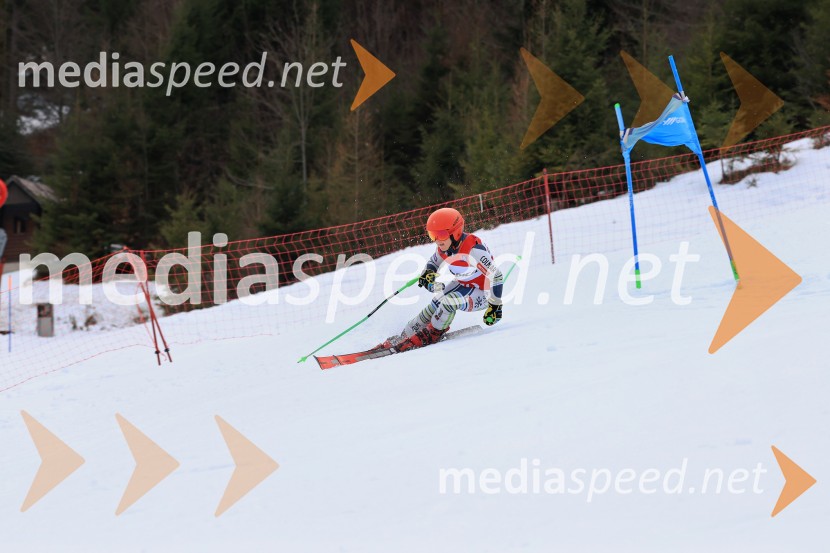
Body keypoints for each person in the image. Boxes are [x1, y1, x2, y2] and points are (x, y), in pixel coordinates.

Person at [386, 207, 503, 351]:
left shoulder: (473, 250)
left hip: (484, 292)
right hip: (464, 284)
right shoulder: (444, 248)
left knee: (449, 301)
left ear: (455, 232)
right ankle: (405, 335)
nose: (436, 240)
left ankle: (433, 334)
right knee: (435, 304)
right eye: (432, 235)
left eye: (440, 234)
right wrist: (428, 274)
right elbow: (433, 263)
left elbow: (496, 276)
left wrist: (495, 306)